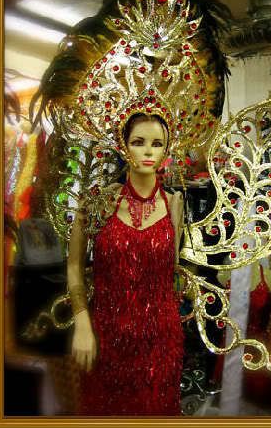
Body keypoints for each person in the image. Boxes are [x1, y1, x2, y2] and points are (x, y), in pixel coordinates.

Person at [67, 112, 185, 415]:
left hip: (161, 342)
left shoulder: (174, 205)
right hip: (106, 338)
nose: (148, 151)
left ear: (166, 150)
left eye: (157, 144)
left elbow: (173, 271)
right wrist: (82, 323)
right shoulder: (96, 203)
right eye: (138, 142)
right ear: (124, 147)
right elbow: (74, 267)